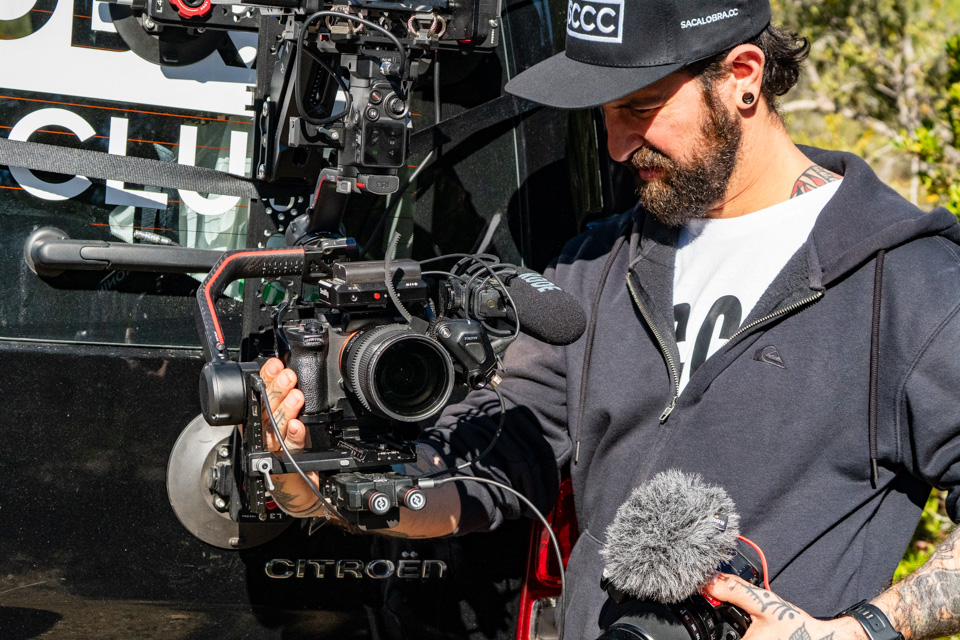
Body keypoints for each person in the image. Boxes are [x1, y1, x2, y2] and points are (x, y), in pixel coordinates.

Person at [260, 0, 960, 638]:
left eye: (640, 107)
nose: (619, 145)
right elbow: (496, 460)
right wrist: (322, 484)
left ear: (743, 76)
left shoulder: (909, 280)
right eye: (603, 114)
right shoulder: (594, 263)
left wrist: (863, 630)